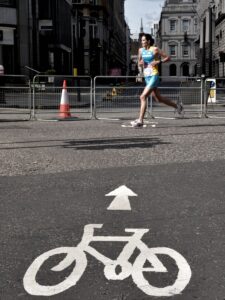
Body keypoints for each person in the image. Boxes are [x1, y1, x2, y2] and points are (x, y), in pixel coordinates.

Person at [131, 34, 183, 128]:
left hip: (154, 75)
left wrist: (158, 61)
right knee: (158, 99)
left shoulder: (154, 49)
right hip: (147, 77)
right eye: (141, 40)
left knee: (142, 96)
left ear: (148, 41)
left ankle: (140, 120)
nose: (142, 42)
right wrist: (141, 63)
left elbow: (168, 57)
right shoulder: (140, 50)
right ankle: (177, 106)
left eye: (144, 40)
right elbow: (139, 62)